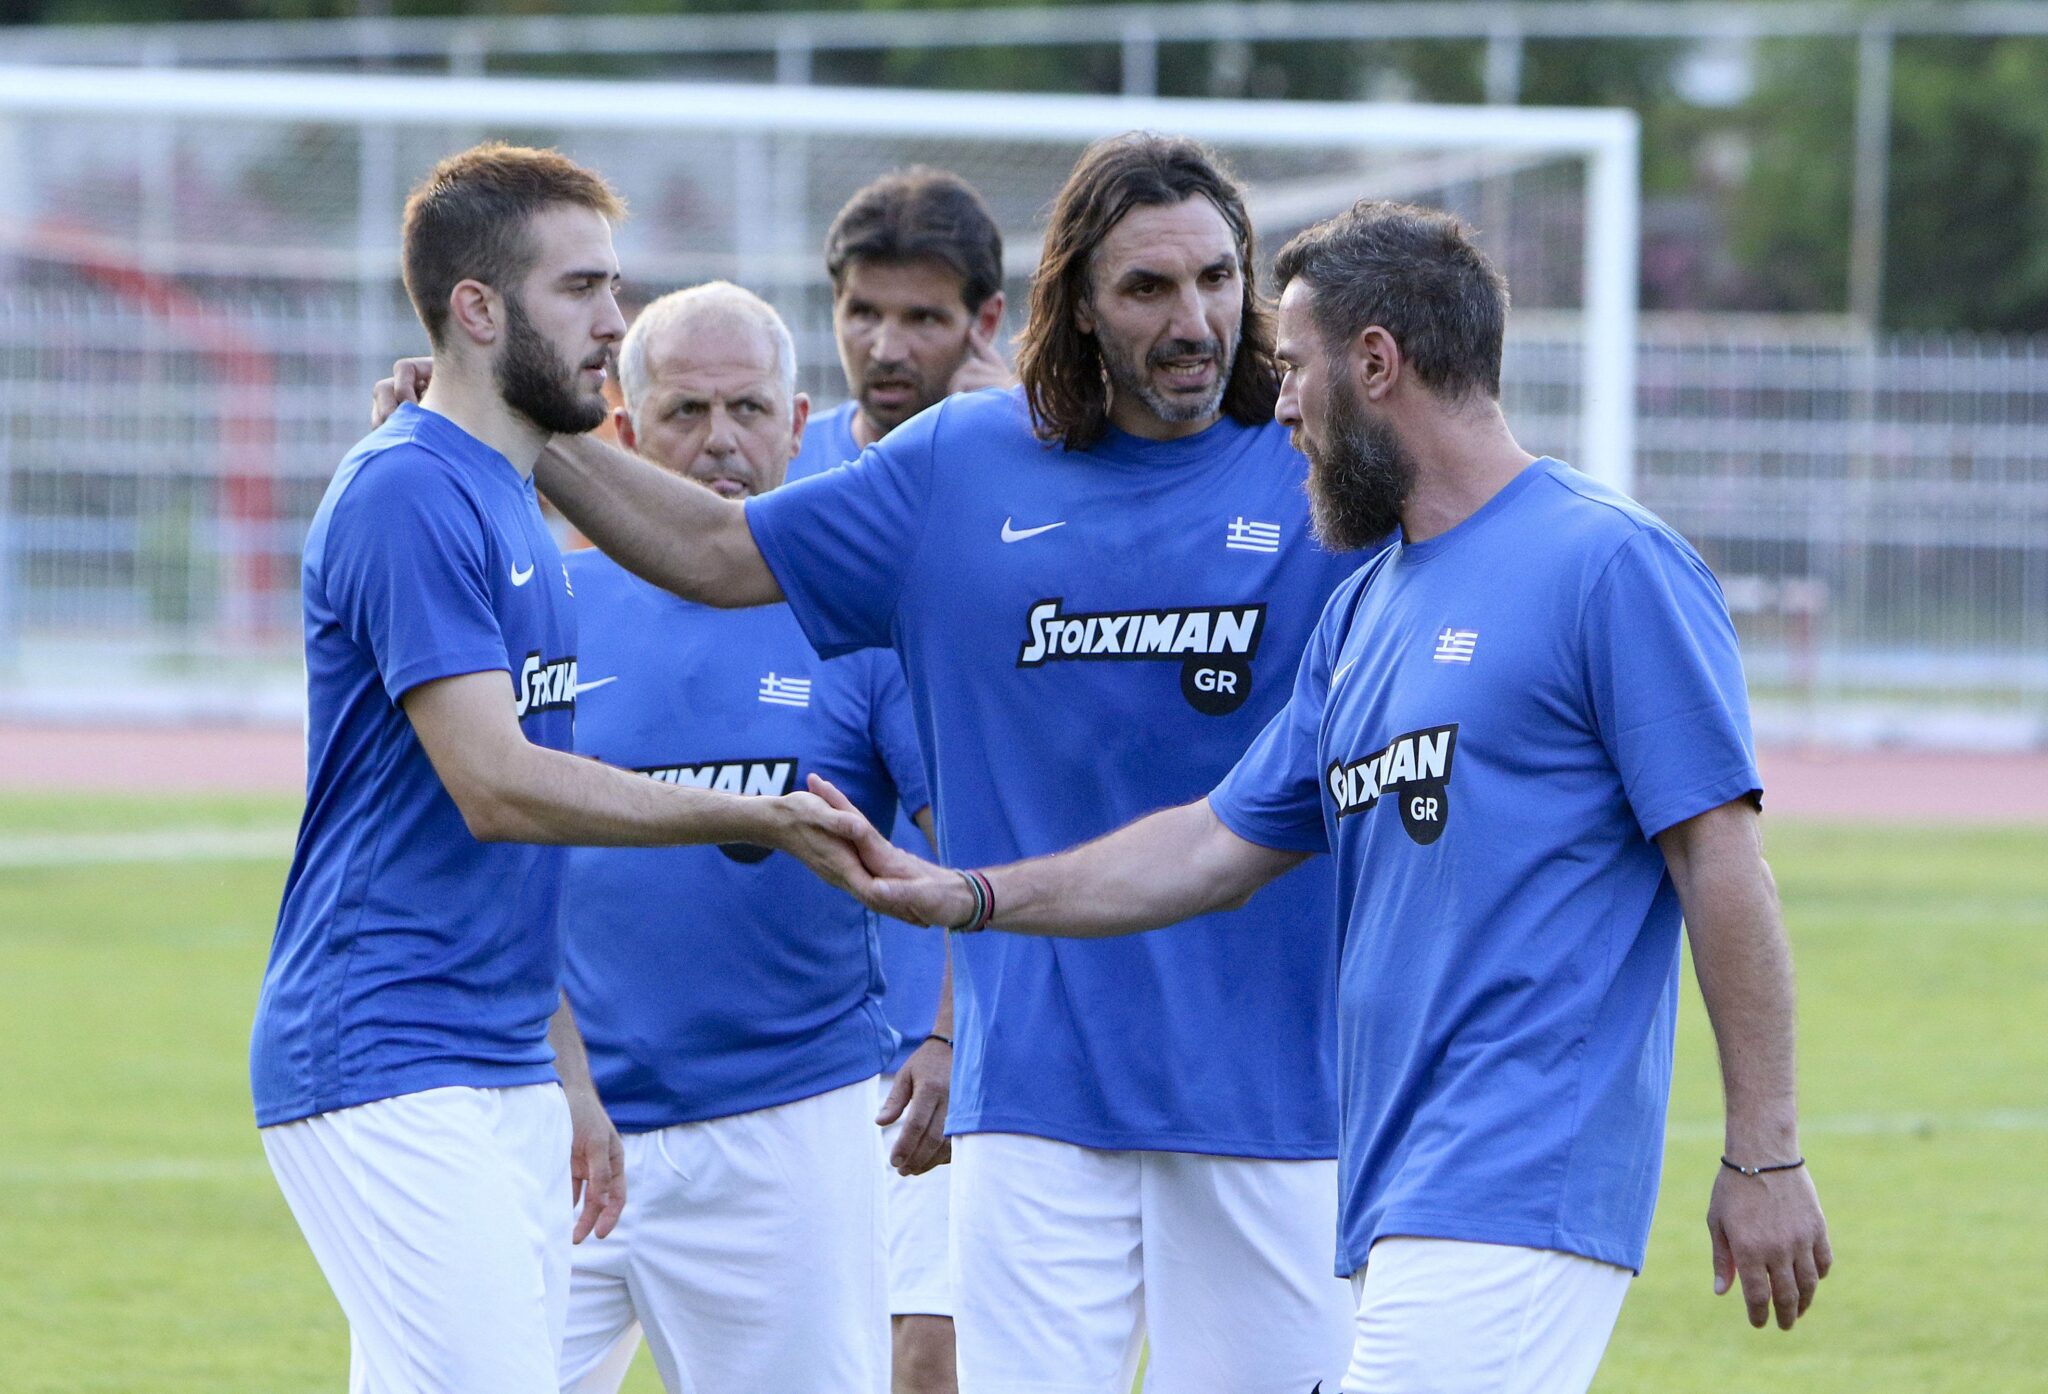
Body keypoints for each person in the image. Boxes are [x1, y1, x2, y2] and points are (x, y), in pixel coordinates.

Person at [377, 132, 1362, 1391]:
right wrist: (499, 410)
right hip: (1033, 1103)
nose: (1193, 321)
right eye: (1146, 288)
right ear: (1075, 302)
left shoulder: (1320, 470)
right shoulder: (962, 462)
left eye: (1217, 279)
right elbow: (717, 551)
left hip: (1276, 1101)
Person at [825, 200, 1835, 1394]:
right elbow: (1207, 846)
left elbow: (1717, 857)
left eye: (1294, 367)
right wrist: (973, 894)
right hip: (1391, 1175)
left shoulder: (1606, 562)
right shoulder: (1364, 608)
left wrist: (1764, 1150)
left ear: (1375, 362)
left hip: (1523, 1166)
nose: (1280, 406)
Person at [255, 143, 873, 1394]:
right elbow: (498, 786)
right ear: (478, 310)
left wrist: (567, 1076)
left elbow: (514, 858)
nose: (612, 322)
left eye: (613, 286)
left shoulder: (509, 503)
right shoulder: (407, 492)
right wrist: (751, 815)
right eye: (581, 288)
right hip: (383, 1051)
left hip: (500, 1058)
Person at [554, 281, 939, 1394]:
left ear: (799, 422)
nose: (719, 438)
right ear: (625, 431)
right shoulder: (546, 604)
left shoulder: (863, 620)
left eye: (747, 408)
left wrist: (950, 1034)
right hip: (561, 1124)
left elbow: (975, 845)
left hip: (790, 1130)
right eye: (684, 410)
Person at [790, 166, 1010, 1394]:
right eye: (862, 312)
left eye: (922, 317)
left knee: (927, 1352)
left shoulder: (1022, 481)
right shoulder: (794, 473)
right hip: (786, 1049)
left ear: (985, 322)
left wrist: (945, 1027)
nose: (885, 345)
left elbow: (990, 822)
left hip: (955, 1023)